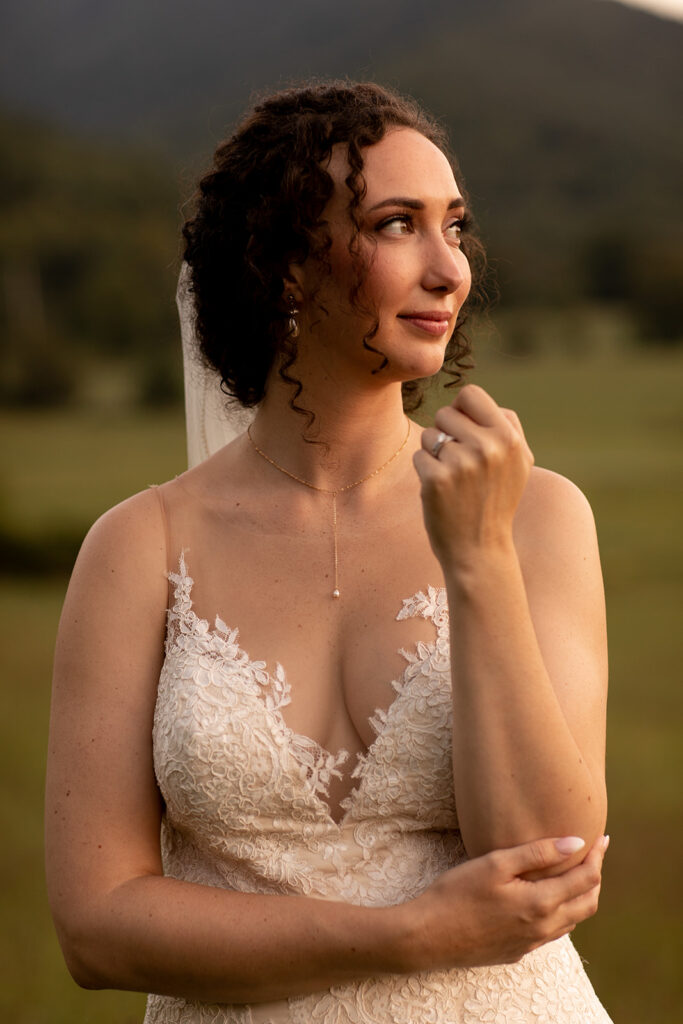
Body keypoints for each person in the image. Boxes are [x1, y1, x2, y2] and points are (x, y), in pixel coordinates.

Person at [46, 81, 612, 1023]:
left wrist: (476, 560)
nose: (450, 269)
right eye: (397, 225)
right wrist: (406, 934)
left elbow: (544, 861)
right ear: (284, 266)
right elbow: (96, 927)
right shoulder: (138, 547)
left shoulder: (537, 516)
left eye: (454, 226)